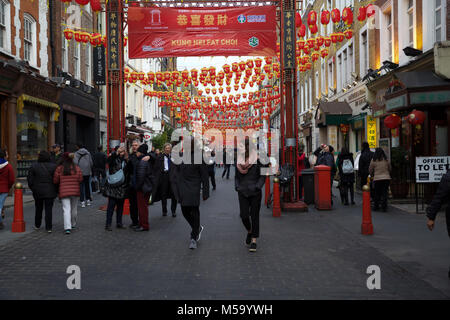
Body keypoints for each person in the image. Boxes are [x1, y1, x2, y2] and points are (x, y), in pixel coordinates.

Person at [172, 138, 209, 250]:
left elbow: (204, 176)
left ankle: (193, 237)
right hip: (182, 186)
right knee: (184, 210)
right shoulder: (181, 155)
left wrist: (205, 192)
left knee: (194, 210)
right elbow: (177, 170)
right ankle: (197, 228)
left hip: (194, 187)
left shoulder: (199, 156)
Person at [235, 138, 266, 252]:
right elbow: (236, 176)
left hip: (255, 191)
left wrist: (258, 186)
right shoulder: (239, 160)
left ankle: (254, 240)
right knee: (244, 216)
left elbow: (263, 175)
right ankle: (249, 231)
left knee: (254, 216)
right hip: (242, 191)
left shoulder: (258, 159)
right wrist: (237, 186)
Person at [425, 169, 450, 278]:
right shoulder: (448, 177)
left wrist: (431, 217)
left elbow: (438, 197)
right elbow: (439, 198)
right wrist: (431, 216)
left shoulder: (447, 177)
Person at [27, 151, 57, 232]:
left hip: (38, 190)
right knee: (49, 209)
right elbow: (56, 179)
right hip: (50, 190)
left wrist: (33, 188)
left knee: (38, 208)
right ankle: (49, 227)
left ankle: (37, 225)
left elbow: (30, 180)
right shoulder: (54, 166)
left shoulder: (33, 166)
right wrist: (56, 189)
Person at [53, 153, 83, 234]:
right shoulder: (77, 168)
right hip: (75, 191)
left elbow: (55, 180)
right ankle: (73, 223)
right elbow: (80, 179)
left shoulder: (59, 168)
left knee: (66, 209)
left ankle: (67, 227)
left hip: (64, 191)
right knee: (74, 208)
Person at [103, 146, 130, 231]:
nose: (122, 152)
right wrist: (116, 152)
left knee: (120, 207)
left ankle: (119, 223)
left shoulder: (125, 160)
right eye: (120, 151)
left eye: (123, 151)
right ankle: (108, 224)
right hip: (113, 187)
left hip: (122, 186)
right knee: (111, 207)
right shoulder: (113, 159)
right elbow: (108, 161)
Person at [153, 143, 178, 217]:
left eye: (169, 148)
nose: (168, 149)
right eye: (166, 148)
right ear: (164, 149)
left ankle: (173, 211)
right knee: (163, 194)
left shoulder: (174, 157)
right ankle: (164, 210)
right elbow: (156, 168)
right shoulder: (159, 157)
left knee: (174, 194)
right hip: (164, 177)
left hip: (172, 177)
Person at [134, 144, 154, 232]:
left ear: (140, 153)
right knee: (143, 207)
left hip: (142, 188)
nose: (136, 153)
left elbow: (141, 176)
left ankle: (144, 225)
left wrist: (137, 187)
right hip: (147, 187)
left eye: (137, 152)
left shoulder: (142, 162)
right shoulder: (146, 160)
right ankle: (141, 224)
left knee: (142, 208)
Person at [369, 148, 391, 212]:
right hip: (386, 178)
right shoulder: (386, 160)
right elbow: (390, 168)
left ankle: (376, 206)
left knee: (377, 193)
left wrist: (371, 174)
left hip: (377, 179)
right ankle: (384, 206)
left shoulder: (373, 160)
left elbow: (370, 169)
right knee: (384, 192)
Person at [74, 143, 93, 208]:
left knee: (81, 187)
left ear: (78, 146)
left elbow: (75, 163)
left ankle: (82, 202)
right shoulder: (88, 153)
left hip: (80, 172)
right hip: (87, 172)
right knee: (87, 186)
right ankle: (88, 200)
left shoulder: (76, 153)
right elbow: (91, 163)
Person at [127, 140, 141, 228]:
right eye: (133, 145)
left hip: (139, 183)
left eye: (136, 145)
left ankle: (139, 221)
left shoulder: (142, 156)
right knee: (132, 204)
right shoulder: (130, 156)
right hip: (131, 183)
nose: (134, 147)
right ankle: (134, 221)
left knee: (139, 204)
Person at [0, 149, 15, 230]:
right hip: (4, 189)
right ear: (4, 156)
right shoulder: (8, 166)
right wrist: (8, 187)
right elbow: (12, 179)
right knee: (0, 205)